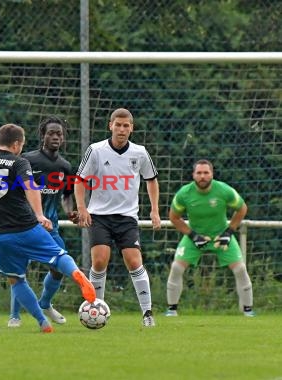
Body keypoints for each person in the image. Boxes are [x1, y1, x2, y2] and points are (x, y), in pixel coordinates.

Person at [0, 123, 96, 333]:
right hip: (25, 227)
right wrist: (39, 215)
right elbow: (31, 187)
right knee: (59, 256)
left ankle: (42, 321)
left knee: (16, 279)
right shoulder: (20, 162)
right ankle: (78, 275)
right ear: (17, 144)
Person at [74, 107, 161, 327]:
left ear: (131, 128)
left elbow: (151, 179)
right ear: (110, 125)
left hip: (127, 217)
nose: (122, 129)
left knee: (134, 261)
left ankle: (147, 313)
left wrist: (154, 210)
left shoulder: (140, 152)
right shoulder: (96, 150)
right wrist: (82, 207)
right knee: (100, 260)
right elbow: (80, 180)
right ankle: (97, 307)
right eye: (118, 125)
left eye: (126, 126)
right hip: (100, 216)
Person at [7, 115, 78, 328]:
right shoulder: (27, 160)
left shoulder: (65, 166)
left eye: (59, 134)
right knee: (18, 270)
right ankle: (14, 316)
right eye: (51, 133)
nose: (55, 137)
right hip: (24, 225)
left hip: (51, 227)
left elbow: (66, 195)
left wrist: (71, 212)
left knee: (59, 268)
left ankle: (45, 303)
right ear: (42, 136)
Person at [165, 159, 255, 317]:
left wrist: (229, 232)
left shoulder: (224, 190)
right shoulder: (184, 193)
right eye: (199, 173)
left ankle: (248, 311)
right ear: (193, 175)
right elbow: (174, 217)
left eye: (206, 173)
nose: (202, 176)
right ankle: (172, 310)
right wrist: (193, 236)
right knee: (176, 268)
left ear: (212, 174)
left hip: (221, 236)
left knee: (240, 269)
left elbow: (242, 208)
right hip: (195, 237)